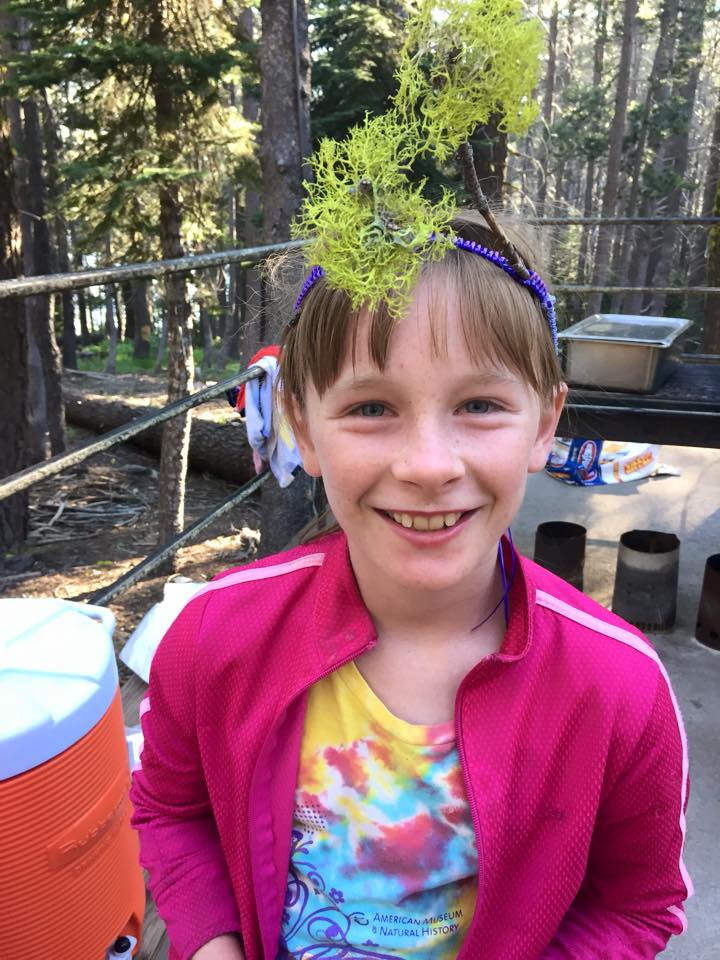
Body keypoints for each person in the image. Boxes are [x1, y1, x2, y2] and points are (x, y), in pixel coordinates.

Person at [130, 3, 690, 957]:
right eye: (372, 408)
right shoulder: (212, 636)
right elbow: (171, 812)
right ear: (300, 425)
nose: (429, 466)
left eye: (479, 406)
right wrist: (212, 940)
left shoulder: (618, 688)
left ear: (545, 423)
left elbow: (635, 907)